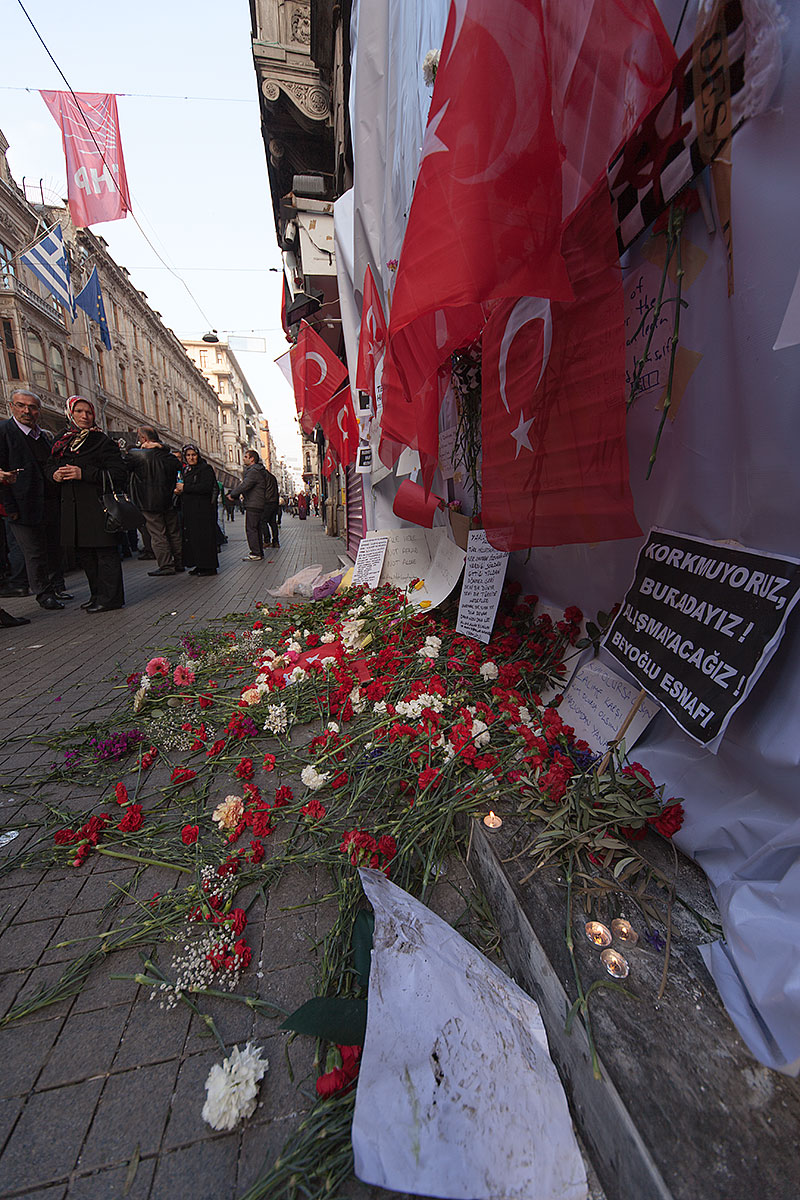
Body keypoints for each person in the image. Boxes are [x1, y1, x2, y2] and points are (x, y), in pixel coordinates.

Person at [47, 396, 126, 612]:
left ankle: (111, 598)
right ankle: (96, 595)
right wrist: (54, 475)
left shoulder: (102, 442)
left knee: (104, 554)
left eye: (88, 412)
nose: (84, 416)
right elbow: (48, 467)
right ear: (70, 414)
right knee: (87, 556)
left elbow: (118, 474)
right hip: (73, 509)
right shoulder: (61, 441)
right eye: (79, 411)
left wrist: (84, 473)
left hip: (97, 508)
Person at [0, 389, 70, 611]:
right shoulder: (4, 432)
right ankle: (44, 594)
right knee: (34, 552)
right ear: (11, 406)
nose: (27, 411)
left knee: (52, 547)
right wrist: (10, 507)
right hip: (21, 505)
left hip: (48, 503)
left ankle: (57, 586)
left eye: (32, 407)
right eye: (21, 405)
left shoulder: (43, 436)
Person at [123, 426, 183, 576]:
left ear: (144, 439)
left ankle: (166, 565)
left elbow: (123, 469)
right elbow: (177, 464)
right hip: (169, 499)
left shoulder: (136, 455)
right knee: (174, 532)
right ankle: (179, 562)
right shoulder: (168, 457)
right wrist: (163, 447)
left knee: (158, 534)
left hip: (148, 501)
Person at [176, 445, 219, 576]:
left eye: (193, 455)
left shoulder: (205, 469)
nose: (191, 458)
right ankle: (199, 564)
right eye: (188, 455)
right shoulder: (187, 470)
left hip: (203, 510)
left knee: (204, 538)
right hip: (190, 509)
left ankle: (209, 566)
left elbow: (205, 487)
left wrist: (186, 488)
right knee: (193, 538)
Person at [228, 450, 268, 561]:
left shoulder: (253, 471)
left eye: (246, 456)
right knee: (256, 528)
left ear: (252, 459)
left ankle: (255, 553)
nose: (243, 458)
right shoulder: (257, 470)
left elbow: (245, 485)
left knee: (251, 528)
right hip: (257, 502)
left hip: (254, 503)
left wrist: (233, 494)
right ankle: (259, 551)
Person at [260, 461, 280, 550]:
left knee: (263, 521)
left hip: (267, 502)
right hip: (274, 502)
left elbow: (262, 489)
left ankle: (267, 540)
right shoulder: (272, 476)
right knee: (272, 522)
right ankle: (275, 541)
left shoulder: (262, 476)